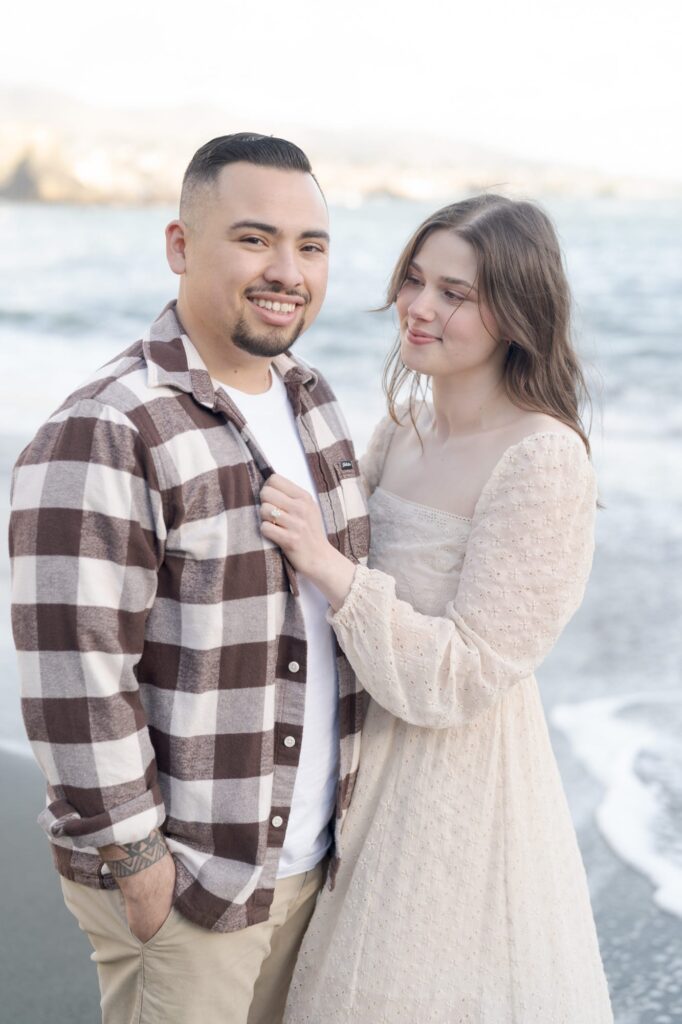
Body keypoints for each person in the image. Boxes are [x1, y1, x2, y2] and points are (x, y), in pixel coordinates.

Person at [9, 133, 369, 1024]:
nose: (287, 269)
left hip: (306, 861)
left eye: (310, 246)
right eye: (254, 239)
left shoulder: (314, 402)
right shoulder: (108, 425)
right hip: (192, 885)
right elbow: (74, 672)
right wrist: (141, 870)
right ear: (180, 246)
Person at [259, 195, 614, 1023]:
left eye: (455, 293)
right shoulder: (399, 432)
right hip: (348, 775)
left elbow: (465, 675)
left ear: (518, 312)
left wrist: (325, 563)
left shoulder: (544, 459)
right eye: (415, 280)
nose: (419, 307)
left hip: (452, 795)